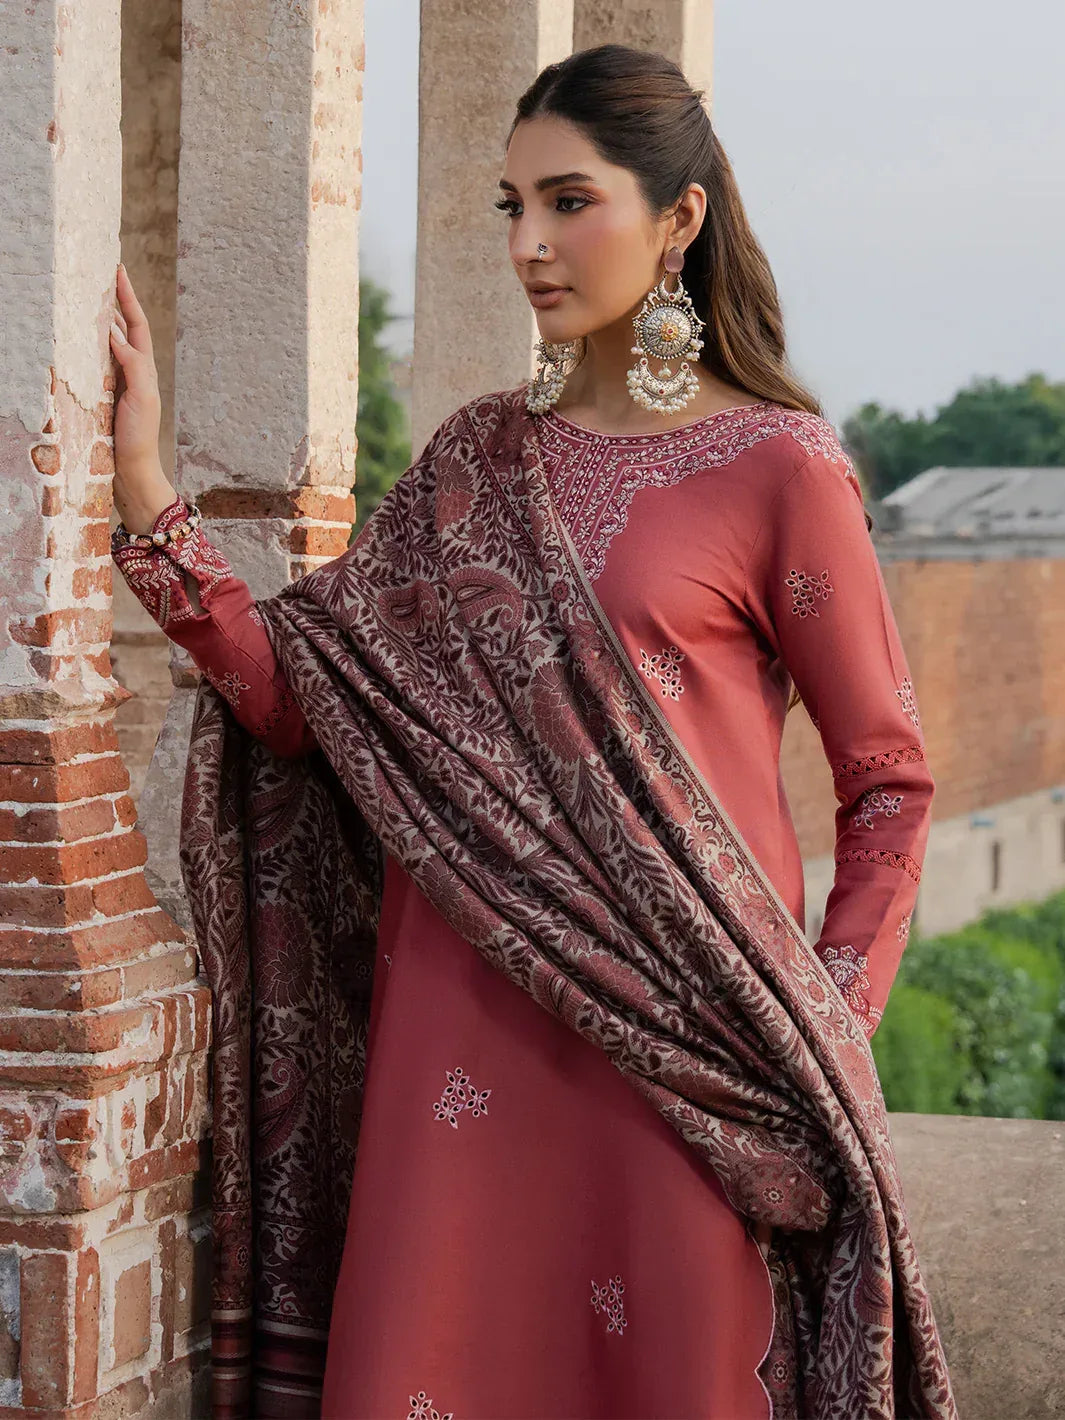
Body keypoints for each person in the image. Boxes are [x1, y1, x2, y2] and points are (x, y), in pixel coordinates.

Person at [107, 43, 956, 1420]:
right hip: (456, 1051)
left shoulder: (780, 468)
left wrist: (825, 1025)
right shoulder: (470, 460)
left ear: (675, 218)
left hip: (680, 1063)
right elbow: (301, 701)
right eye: (511, 206)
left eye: (569, 202)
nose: (529, 244)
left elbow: (889, 787)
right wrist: (146, 490)